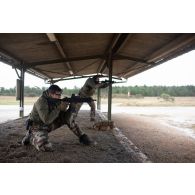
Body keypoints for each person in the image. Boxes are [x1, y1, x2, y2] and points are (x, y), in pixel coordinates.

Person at [21, 84, 91, 152]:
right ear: (51, 94)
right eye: (57, 95)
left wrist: (71, 107)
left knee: (68, 118)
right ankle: (30, 137)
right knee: (46, 147)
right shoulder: (41, 102)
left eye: (60, 95)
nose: (59, 97)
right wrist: (58, 108)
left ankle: (82, 136)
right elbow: (47, 120)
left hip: (48, 125)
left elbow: (66, 117)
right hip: (37, 127)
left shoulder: (55, 100)